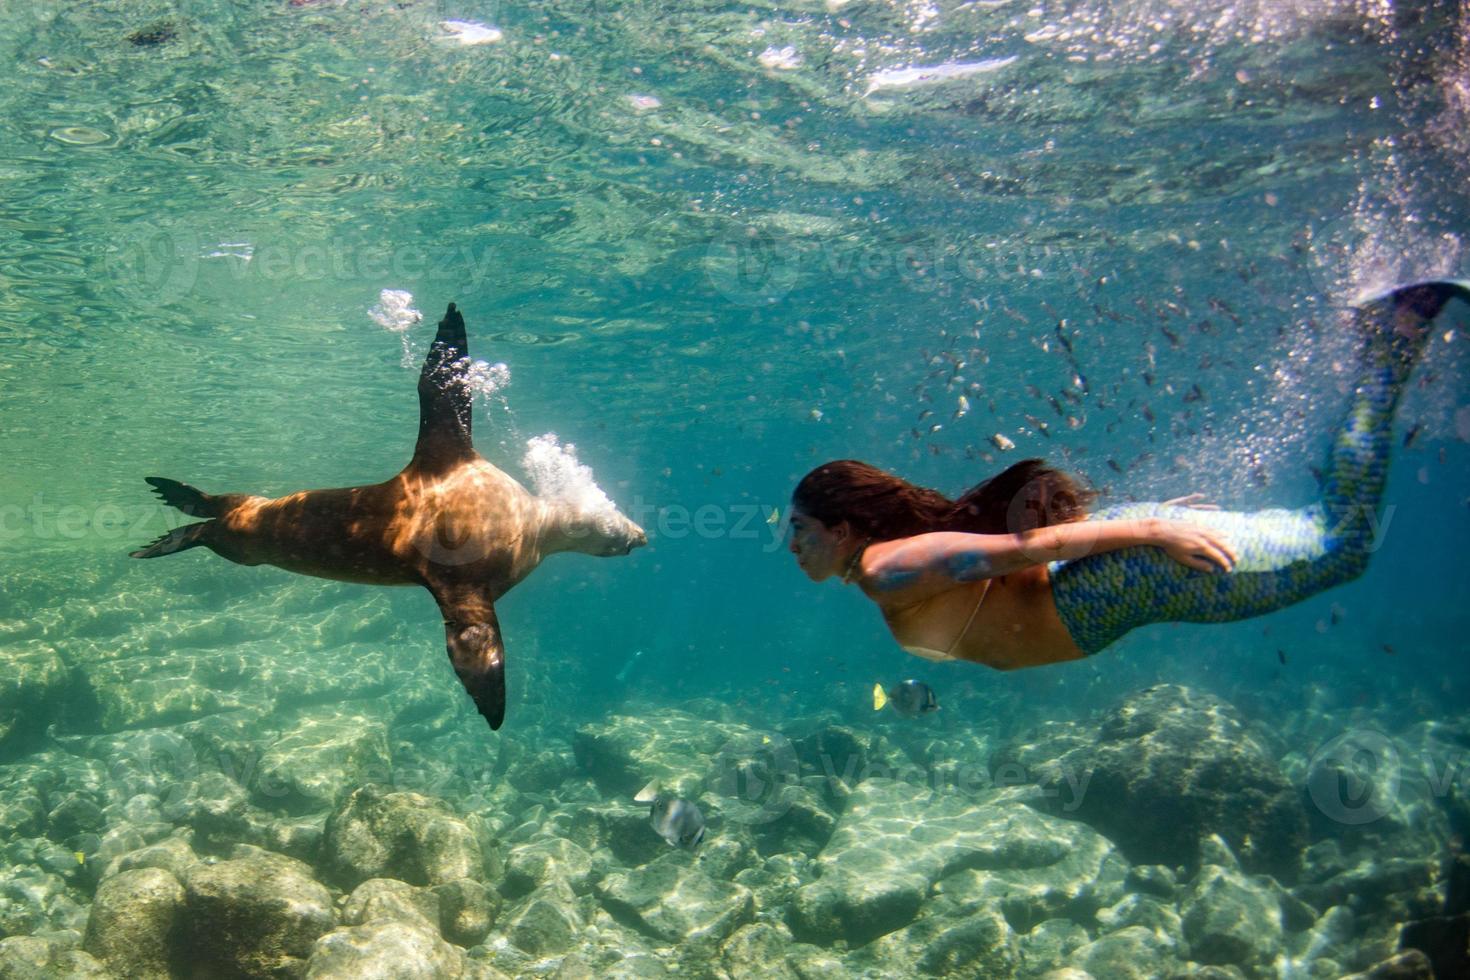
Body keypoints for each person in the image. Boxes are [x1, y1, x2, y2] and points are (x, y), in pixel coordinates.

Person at [787, 279, 1469, 669]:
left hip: (1121, 584)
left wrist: (1152, 529)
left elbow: (1024, 549)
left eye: (800, 531)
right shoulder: (883, 568)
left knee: (1343, 542)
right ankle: (1381, 342)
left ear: (843, 528)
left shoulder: (885, 569)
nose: (791, 545)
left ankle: (1394, 332)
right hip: (1113, 581)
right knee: (1328, 536)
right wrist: (1142, 525)